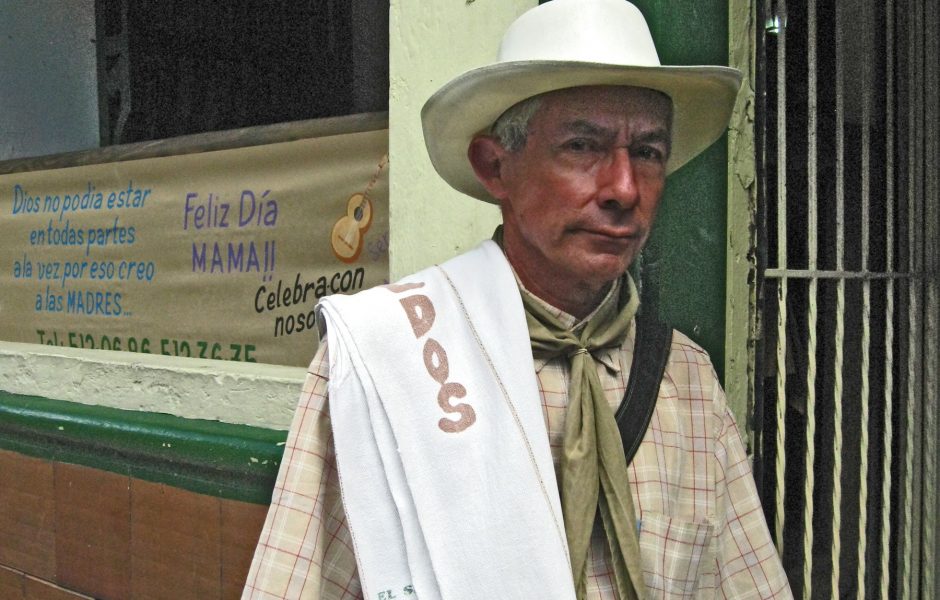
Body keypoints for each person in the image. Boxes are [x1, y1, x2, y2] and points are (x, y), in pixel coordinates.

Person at [243, 0, 792, 598]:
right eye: (582, 146)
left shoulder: (685, 380)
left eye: (648, 153)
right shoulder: (383, 358)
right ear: (495, 167)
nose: (624, 189)